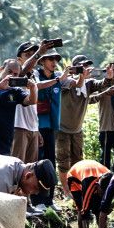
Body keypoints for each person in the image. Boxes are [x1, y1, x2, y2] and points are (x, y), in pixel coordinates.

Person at [56, 55, 105, 194]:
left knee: (78, 159)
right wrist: (76, 75)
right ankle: (66, 191)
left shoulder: (89, 84)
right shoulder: (65, 80)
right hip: (62, 128)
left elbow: (102, 84)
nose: (84, 69)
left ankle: (77, 188)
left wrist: (109, 77)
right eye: (81, 66)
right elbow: (65, 84)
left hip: (77, 129)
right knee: (63, 161)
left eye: (86, 66)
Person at [31, 48, 70, 208]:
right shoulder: (35, 75)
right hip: (37, 126)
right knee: (37, 163)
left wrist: (81, 75)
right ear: (42, 61)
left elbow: (77, 83)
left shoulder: (58, 77)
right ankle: (37, 200)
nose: (54, 63)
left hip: (52, 126)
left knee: (50, 162)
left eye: (56, 59)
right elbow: (35, 87)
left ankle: (49, 199)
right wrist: (58, 80)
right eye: (50, 59)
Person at [0, 59, 37, 156]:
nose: (12, 76)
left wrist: (33, 88)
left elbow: (31, 101)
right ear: (1, 69)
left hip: (5, 141)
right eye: (9, 72)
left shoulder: (16, 91)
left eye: (15, 74)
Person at [66, 159, 112, 228]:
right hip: (74, 176)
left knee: (99, 209)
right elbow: (84, 211)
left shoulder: (112, 181)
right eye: (102, 193)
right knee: (81, 208)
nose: (103, 196)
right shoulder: (89, 186)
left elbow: (105, 210)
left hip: (97, 171)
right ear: (98, 186)